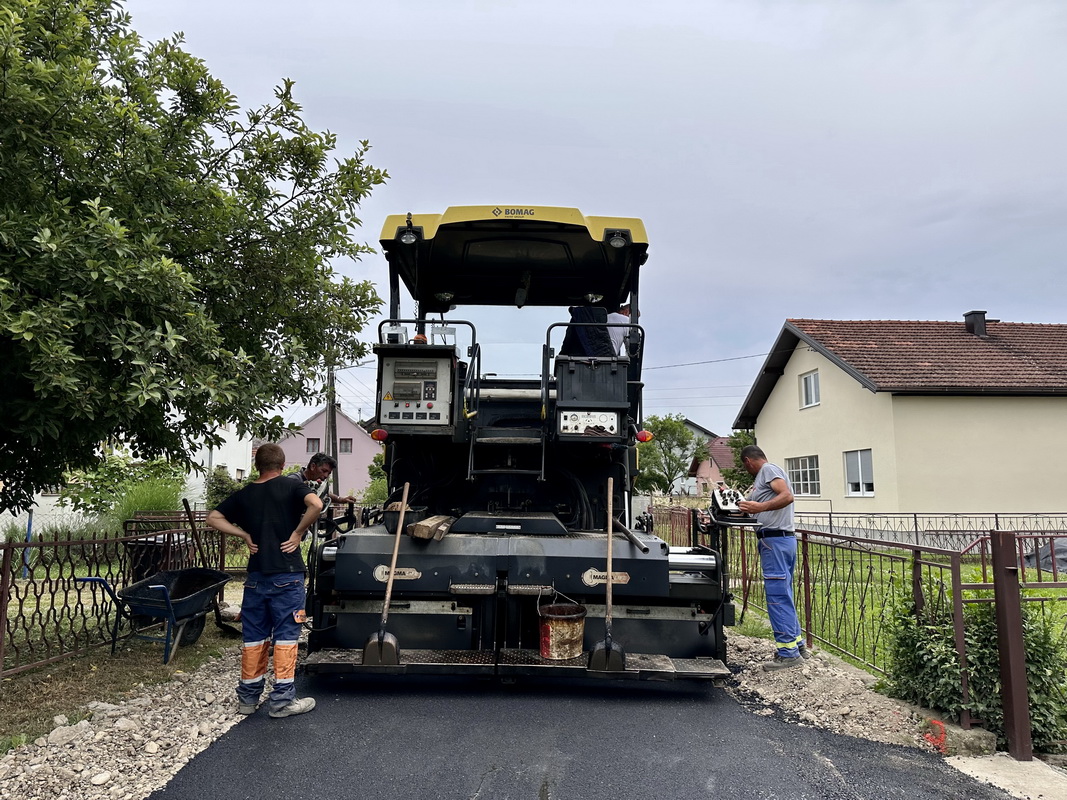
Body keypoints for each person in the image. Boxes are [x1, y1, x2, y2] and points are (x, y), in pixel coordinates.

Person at [206, 442, 322, 718]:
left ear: (257, 466)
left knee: (254, 639)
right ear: (282, 465)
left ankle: (247, 699)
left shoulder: (245, 494)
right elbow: (316, 504)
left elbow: (213, 517)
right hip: (287, 575)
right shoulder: (293, 487)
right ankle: (282, 701)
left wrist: (244, 535)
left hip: (256, 578)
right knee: (285, 638)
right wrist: (297, 533)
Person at [736, 444, 808, 671]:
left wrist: (759, 506)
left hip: (775, 542)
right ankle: (798, 646)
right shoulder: (763, 479)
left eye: (745, 465)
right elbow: (754, 508)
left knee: (777, 597)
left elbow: (787, 496)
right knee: (784, 594)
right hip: (781, 540)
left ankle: (788, 655)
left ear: (748, 461)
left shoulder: (767, 470)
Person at [296, 452, 360, 507]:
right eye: (323, 471)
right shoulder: (294, 480)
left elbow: (323, 493)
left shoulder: (313, 483)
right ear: (313, 466)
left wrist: (341, 499)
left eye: (328, 473)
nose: (326, 476)